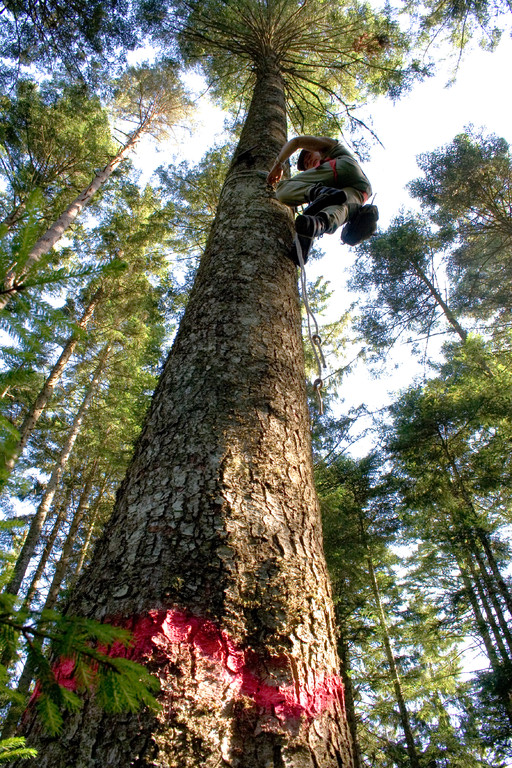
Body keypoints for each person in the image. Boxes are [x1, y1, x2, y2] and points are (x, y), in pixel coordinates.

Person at [267, 135, 375, 264]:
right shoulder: (330, 189)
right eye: (306, 164)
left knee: (282, 190)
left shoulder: (330, 148)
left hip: (342, 167)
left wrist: (278, 164)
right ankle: (318, 225)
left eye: (309, 156)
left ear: (316, 149)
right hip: (361, 191)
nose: (309, 162)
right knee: (341, 209)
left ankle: (318, 193)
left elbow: (297, 141)